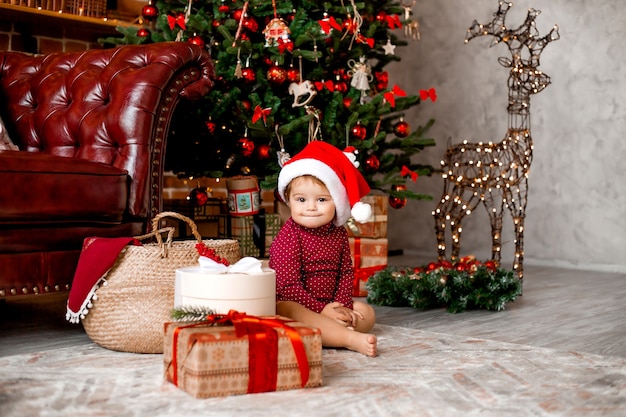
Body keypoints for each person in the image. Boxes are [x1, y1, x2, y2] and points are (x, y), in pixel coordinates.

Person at [269, 140, 377, 357]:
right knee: (287, 310)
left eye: (321, 199)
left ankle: (329, 331)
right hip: (298, 303)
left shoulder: (337, 233)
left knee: (366, 313)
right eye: (301, 199)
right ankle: (347, 337)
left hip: (330, 304)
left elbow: (345, 272)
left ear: (336, 201)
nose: (310, 207)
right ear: (289, 201)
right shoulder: (289, 236)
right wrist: (322, 309)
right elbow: (288, 286)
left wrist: (342, 305)